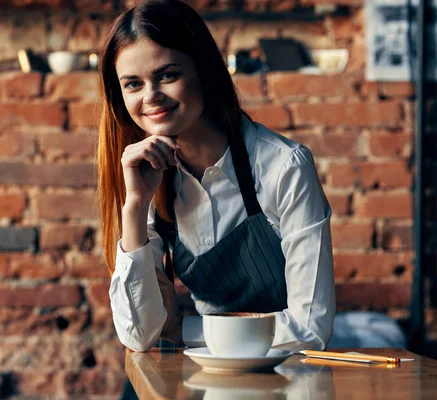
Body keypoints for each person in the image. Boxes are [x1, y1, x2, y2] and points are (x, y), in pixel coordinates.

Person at [97, 0, 335, 354]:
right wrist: (134, 206)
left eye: (167, 75)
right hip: (206, 371)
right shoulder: (147, 175)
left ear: (205, 73)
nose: (151, 97)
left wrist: (185, 328)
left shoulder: (284, 167)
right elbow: (139, 335)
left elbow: (310, 328)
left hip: (288, 372)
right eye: (133, 84)